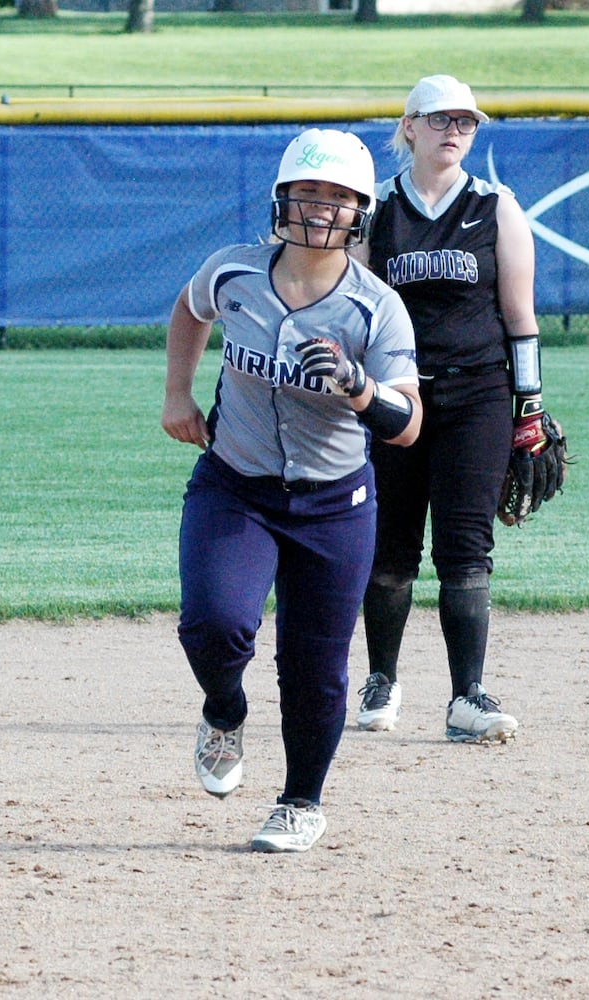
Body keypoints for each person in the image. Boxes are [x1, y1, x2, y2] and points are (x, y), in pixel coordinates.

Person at [161, 128, 422, 853]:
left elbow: (406, 423)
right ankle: (223, 709)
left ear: (360, 211)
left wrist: (360, 387)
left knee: (315, 665)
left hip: (334, 503)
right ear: (281, 198)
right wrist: (178, 393)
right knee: (214, 623)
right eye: (307, 192)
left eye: (338, 197)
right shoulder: (235, 271)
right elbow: (190, 309)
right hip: (235, 485)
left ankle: (300, 801)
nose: (320, 209)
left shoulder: (375, 307)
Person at [353, 74, 548, 745]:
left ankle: (467, 695)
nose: (454, 132)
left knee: (467, 547)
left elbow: (520, 319)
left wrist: (529, 410)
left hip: (477, 395)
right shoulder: (376, 210)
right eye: (440, 120)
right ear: (408, 127)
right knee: (391, 545)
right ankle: (381, 678)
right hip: (396, 396)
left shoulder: (496, 207)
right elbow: (354, 312)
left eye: (465, 122)